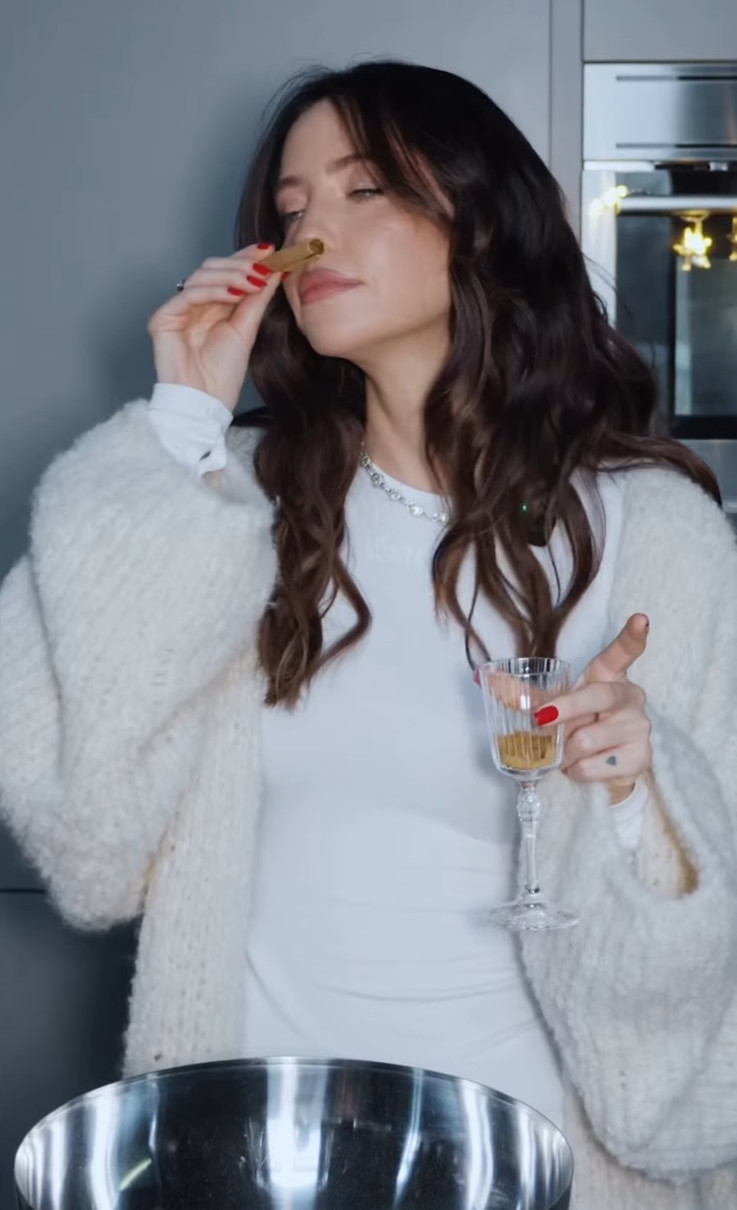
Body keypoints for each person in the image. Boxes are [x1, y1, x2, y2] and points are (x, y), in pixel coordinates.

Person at [0, 58, 736, 1209]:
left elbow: (704, 957)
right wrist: (184, 422)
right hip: (254, 1161)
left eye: (361, 190)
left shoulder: (656, 539)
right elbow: (88, 847)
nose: (309, 234)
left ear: (479, 220)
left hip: (549, 1167)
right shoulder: (227, 504)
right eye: (290, 207)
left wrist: (641, 791)